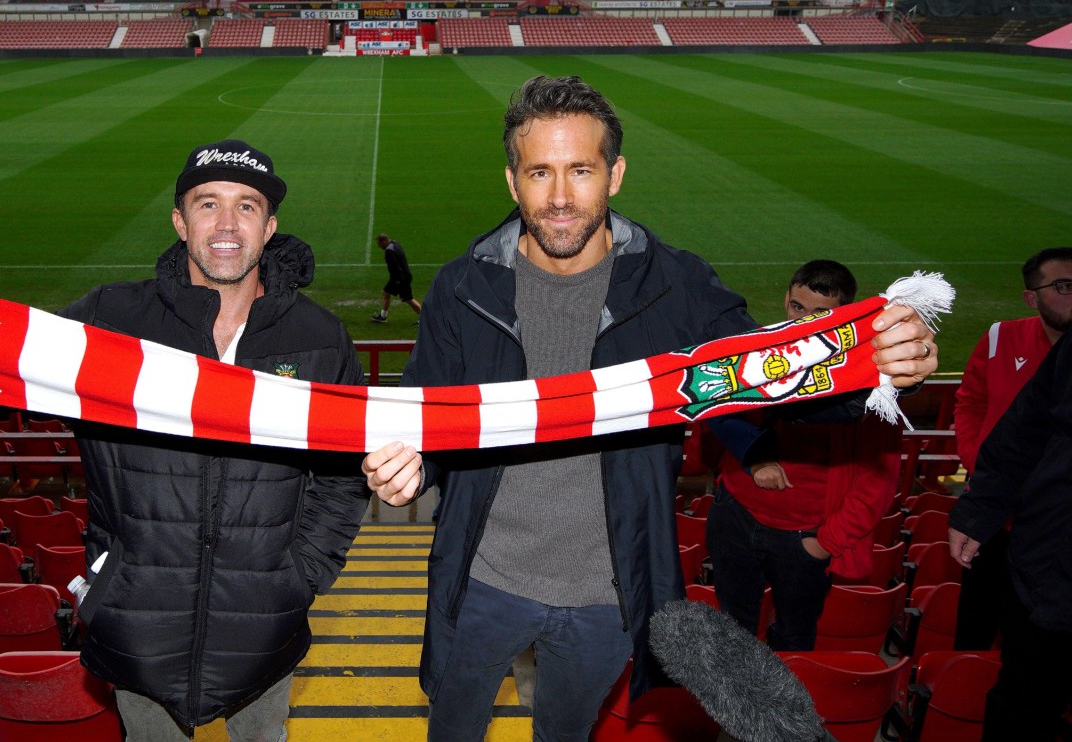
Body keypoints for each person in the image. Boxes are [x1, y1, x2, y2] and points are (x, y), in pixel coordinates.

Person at [361, 75, 940, 741]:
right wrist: (414, 466)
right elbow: (426, 410)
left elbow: (771, 383)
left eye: (581, 169)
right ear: (511, 182)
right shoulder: (464, 287)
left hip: (608, 594)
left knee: (564, 733)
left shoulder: (678, 286)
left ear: (616, 174)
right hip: (481, 578)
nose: (558, 197)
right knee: (453, 730)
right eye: (539, 172)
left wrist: (875, 371)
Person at [0, 139, 371, 741]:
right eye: (208, 203)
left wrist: (301, 575)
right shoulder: (109, 322)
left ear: (270, 226)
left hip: (265, 622)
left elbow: (343, 476)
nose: (227, 222)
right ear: (180, 222)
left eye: (247, 205)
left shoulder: (318, 338)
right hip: (136, 624)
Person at [705, 260, 902, 651]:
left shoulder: (870, 378)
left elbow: (879, 478)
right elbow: (715, 409)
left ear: (843, 314)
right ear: (786, 300)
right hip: (736, 517)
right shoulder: (757, 347)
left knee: (793, 642)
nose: (805, 322)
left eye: (820, 314)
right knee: (732, 634)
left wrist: (824, 543)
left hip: (805, 539)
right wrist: (754, 458)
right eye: (798, 308)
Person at [948, 331, 1072, 742]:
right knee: (1025, 702)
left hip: (1048, 562)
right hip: (1052, 570)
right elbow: (1027, 428)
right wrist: (979, 508)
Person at [952, 246, 1071, 649]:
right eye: (1062, 286)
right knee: (976, 625)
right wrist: (980, 468)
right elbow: (969, 402)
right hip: (994, 517)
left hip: (1053, 527)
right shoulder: (1001, 337)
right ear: (1031, 297)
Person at [372, 233, 422, 323]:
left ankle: (425, 317)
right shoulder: (395, 244)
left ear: (384, 242)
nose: (379, 246)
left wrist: (397, 281)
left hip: (400, 278)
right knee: (386, 293)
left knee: (408, 299)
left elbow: (394, 267)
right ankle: (383, 316)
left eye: (379, 244)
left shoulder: (389, 251)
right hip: (402, 276)